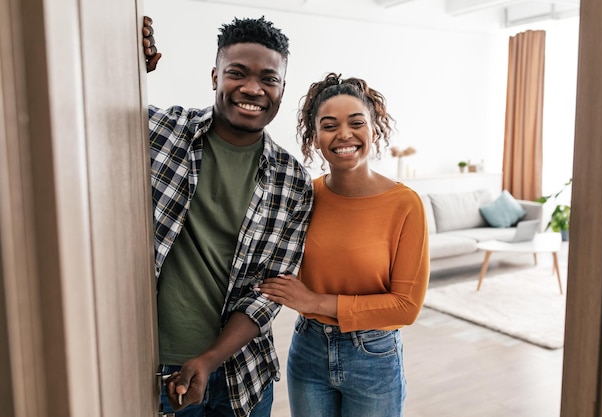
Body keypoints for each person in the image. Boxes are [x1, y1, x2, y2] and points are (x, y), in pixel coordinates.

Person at [142, 16, 314, 417]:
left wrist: (209, 360)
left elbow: (270, 292)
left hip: (242, 375)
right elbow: (85, 108)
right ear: (215, 76)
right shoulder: (162, 132)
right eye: (237, 73)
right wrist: (126, 65)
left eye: (268, 79)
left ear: (282, 89)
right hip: (158, 368)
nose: (252, 88)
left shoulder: (293, 181)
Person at [257, 73, 430, 417]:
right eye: (329, 125)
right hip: (308, 349)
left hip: (374, 356)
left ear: (374, 129)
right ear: (315, 137)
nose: (344, 135)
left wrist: (313, 300)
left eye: (356, 122)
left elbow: (406, 307)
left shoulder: (405, 204)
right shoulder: (304, 196)